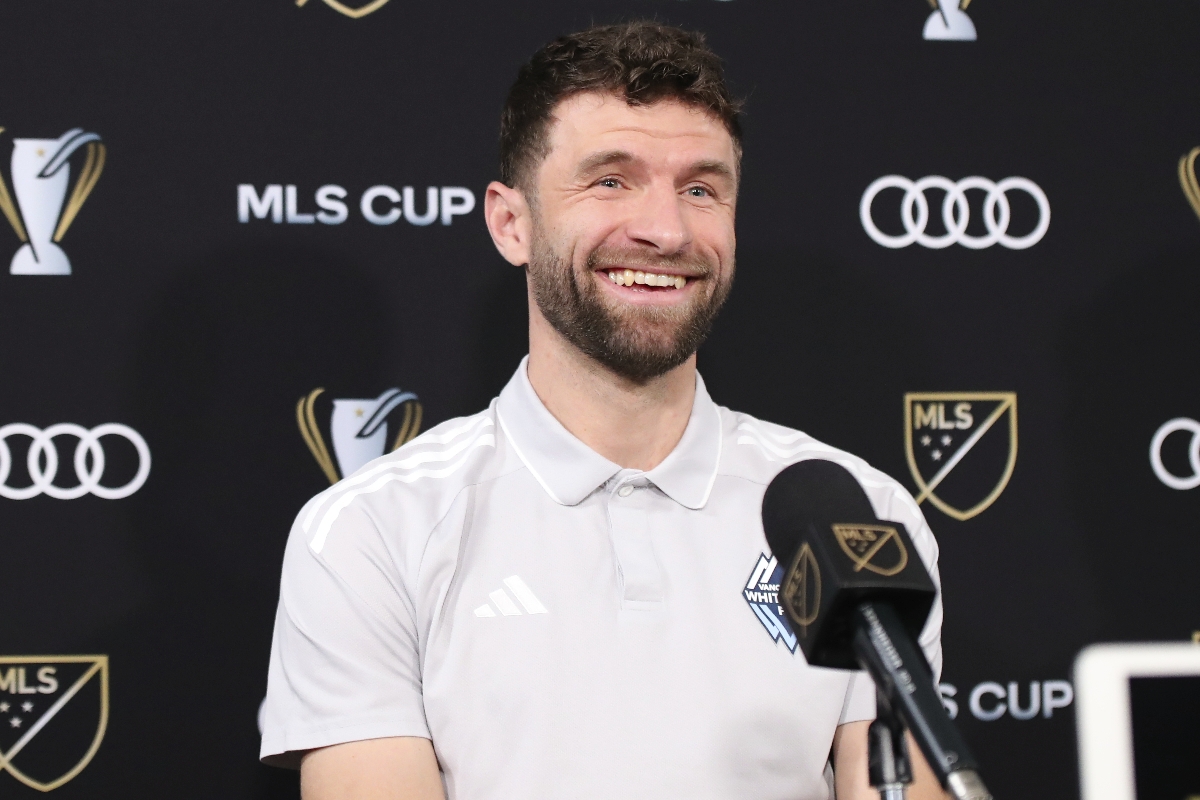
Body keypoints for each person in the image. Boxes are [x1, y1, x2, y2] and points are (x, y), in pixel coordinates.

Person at [260, 21, 947, 800]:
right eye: (611, 181)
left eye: (700, 189)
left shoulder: (862, 521)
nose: (665, 230)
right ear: (511, 223)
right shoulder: (371, 531)